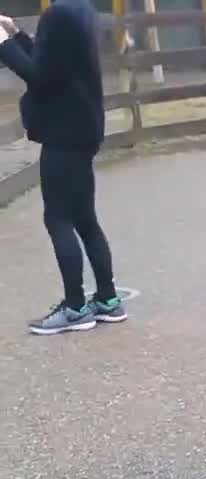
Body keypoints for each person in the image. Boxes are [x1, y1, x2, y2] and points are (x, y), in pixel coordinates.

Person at [0, 5, 126, 335]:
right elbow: (53, 65)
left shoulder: (57, 14)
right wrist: (18, 36)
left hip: (64, 132)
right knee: (84, 218)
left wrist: (3, 44)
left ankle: (75, 308)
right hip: (83, 128)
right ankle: (108, 300)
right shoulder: (80, 9)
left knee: (57, 218)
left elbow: (40, 78)